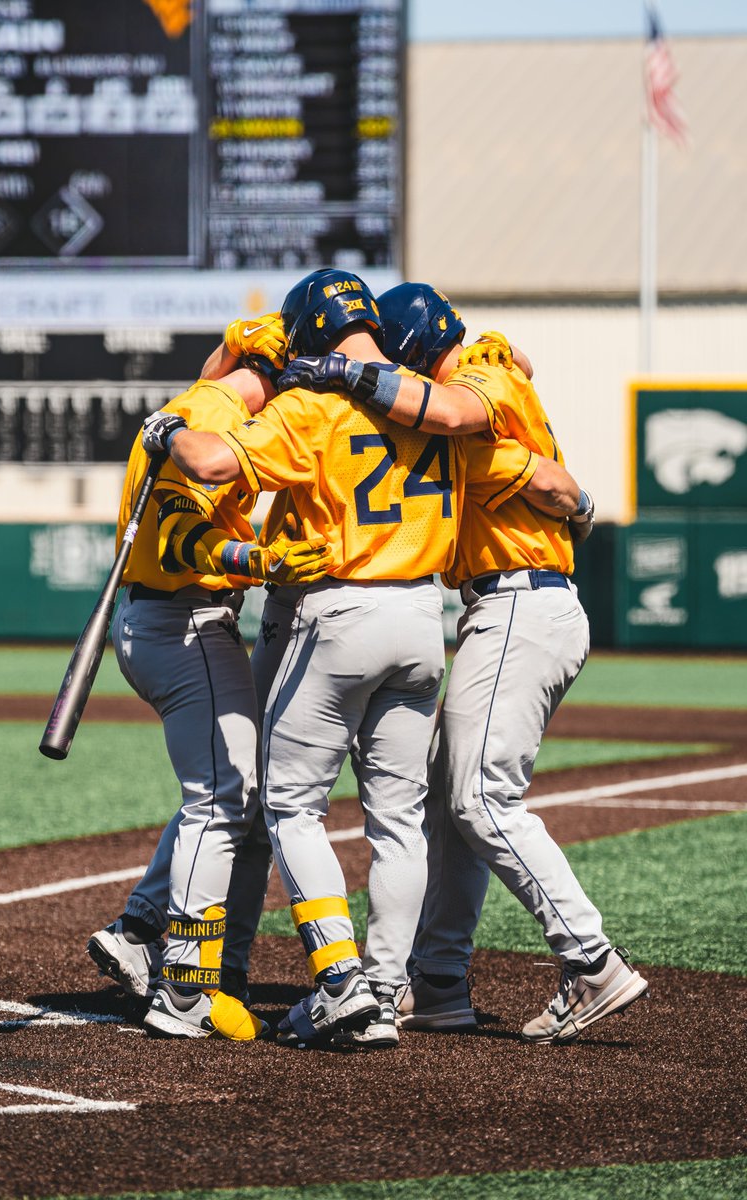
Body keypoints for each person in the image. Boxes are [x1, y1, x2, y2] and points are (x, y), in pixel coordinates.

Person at [143, 268, 586, 1050]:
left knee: (289, 806)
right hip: (422, 620)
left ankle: (339, 982)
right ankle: (385, 990)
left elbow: (210, 462)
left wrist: (165, 432)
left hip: (339, 611)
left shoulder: (312, 407)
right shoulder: (438, 408)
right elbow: (527, 440)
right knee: (400, 822)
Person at [279, 282, 649, 1044]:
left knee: (481, 798)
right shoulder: (495, 375)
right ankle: (439, 981)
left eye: (401, 361)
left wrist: (347, 373)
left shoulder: (480, 375)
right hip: (511, 604)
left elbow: (532, 469)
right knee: (452, 801)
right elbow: (555, 479)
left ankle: (591, 960)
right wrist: (577, 505)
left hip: (520, 603)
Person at [90, 363, 332, 1041]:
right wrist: (255, 561)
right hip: (183, 622)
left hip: (170, 619)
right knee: (223, 798)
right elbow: (178, 534)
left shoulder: (203, 407)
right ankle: (183, 986)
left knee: (228, 789)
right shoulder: (213, 417)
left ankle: (140, 927)